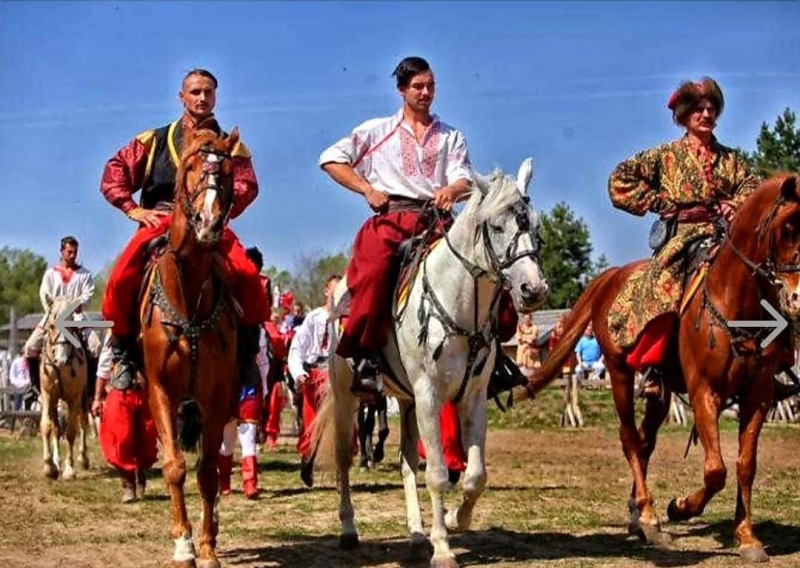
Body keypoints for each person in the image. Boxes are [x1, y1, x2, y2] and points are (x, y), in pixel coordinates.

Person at [318, 55, 521, 397]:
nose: (426, 92)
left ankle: (493, 358)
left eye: (431, 86)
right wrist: (367, 189)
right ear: (401, 90)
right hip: (391, 218)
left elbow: (463, 178)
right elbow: (330, 159)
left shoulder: (450, 136)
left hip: (438, 221)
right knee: (374, 273)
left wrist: (451, 190)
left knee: (488, 271)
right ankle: (367, 357)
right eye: (418, 86)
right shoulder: (376, 131)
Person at [99, 68, 269, 391]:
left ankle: (245, 359)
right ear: (182, 97)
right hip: (160, 221)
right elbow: (115, 170)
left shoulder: (232, 146)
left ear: (216, 96)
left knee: (248, 277)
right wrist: (132, 208)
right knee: (121, 276)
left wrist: (218, 213)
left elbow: (247, 184)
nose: (202, 97)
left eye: (208, 91)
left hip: (211, 225)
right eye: (195, 92)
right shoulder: (155, 140)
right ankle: (124, 355)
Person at [607, 77, 760, 398]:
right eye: (699, 109)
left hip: (726, 237)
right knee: (661, 287)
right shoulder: (665, 156)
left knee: (767, 281)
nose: (706, 115)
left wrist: (737, 206)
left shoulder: (732, 159)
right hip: (683, 237)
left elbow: (752, 188)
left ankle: (775, 360)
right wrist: (660, 202)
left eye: (711, 109)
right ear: (684, 116)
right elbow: (619, 181)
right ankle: (656, 367)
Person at [287, 274, 341, 487]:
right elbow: (297, 347)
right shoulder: (314, 317)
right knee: (312, 423)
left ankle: (339, 471)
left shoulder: (345, 318)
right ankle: (308, 459)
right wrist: (298, 371)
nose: (337, 295)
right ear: (326, 291)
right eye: (333, 290)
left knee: (339, 422)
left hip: (336, 373)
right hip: (314, 373)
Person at [93, 334, 159, 503]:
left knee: (147, 436)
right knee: (121, 440)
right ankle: (128, 484)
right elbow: (103, 367)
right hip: (121, 392)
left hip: (145, 392)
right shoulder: (114, 336)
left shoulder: (151, 329)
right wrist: (97, 397)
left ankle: (140, 470)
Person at [24, 236, 101, 362]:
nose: (73, 255)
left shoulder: (84, 274)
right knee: (30, 347)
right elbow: (44, 294)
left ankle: (92, 380)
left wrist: (78, 306)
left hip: (76, 317)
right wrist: (54, 311)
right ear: (62, 251)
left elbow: (88, 295)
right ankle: (34, 381)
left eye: (75, 252)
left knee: (95, 346)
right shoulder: (50, 274)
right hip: (53, 316)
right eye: (69, 252)